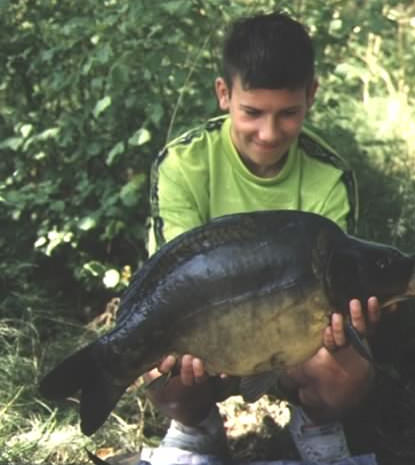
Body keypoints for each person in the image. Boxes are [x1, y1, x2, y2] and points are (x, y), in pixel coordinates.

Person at [138, 12, 382, 465]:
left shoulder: (328, 174)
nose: (269, 133)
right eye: (252, 113)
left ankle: (316, 421)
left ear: (311, 96)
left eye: (288, 113)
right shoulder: (183, 162)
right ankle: (195, 426)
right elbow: (169, 281)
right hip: (205, 333)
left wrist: (346, 326)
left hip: (291, 337)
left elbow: (332, 286)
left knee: (347, 366)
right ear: (224, 94)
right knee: (162, 362)